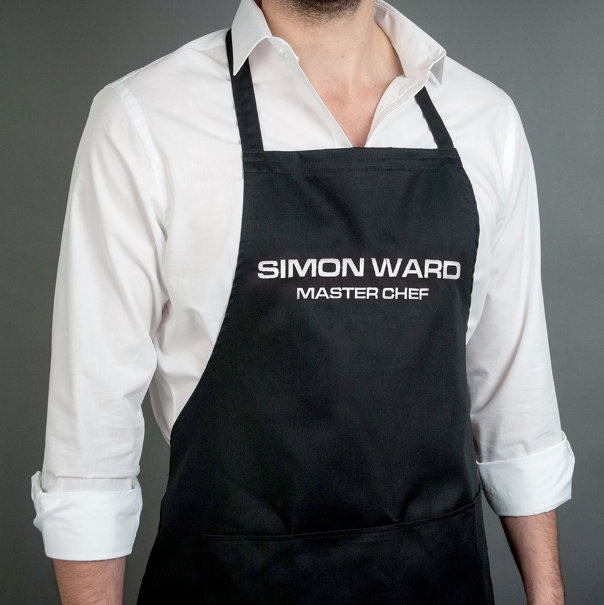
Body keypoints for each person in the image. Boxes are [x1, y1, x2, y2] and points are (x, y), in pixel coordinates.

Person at [30, 0, 576, 603]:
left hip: (442, 581)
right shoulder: (145, 120)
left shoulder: (485, 119)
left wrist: (547, 594)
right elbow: (90, 450)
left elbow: (516, 406)